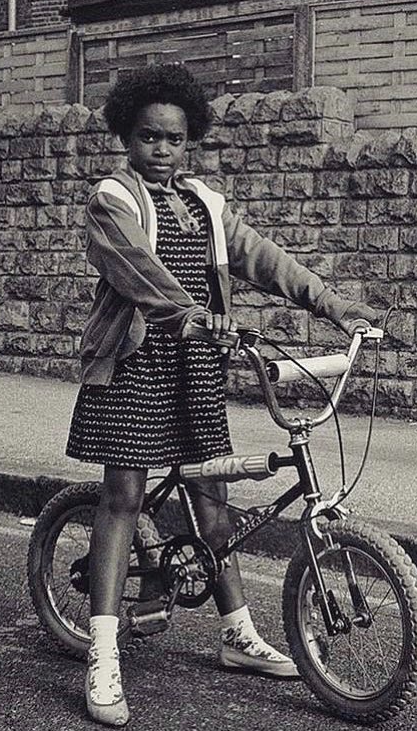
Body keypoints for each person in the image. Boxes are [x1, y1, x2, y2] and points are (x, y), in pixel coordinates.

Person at [66, 63, 378, 726]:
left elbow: (263, 258)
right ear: (126, 135)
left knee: (213, 502)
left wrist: (336, 305)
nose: (161, 149)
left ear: (191, 141)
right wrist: (189, 314)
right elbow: (138, 272)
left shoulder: (204, 203)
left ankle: (237, 631)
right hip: (134, 363)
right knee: (123, 497)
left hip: (195, 366)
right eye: (148, 136)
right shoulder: (112, 199)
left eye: (174, 139)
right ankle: (103, 650)